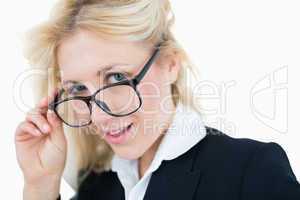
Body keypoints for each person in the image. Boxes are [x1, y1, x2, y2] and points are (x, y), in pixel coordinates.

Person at [15, 0, 300, 199]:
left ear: (170, 64)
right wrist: (40, 185)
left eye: (116, 78)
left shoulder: (250, 170)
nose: (98, 117)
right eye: (78, 89)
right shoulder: (97, 188)